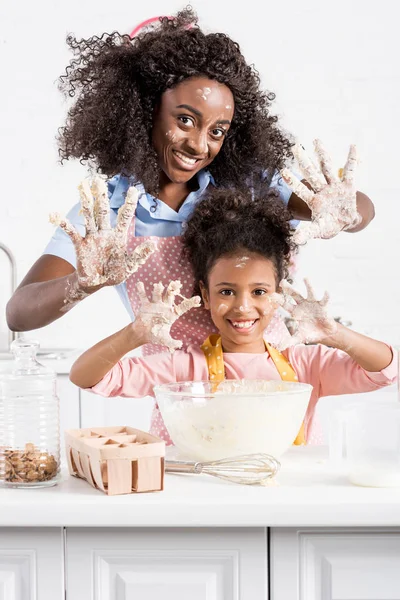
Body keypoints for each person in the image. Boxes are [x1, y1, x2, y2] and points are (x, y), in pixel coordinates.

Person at [6, 9, 375, 347]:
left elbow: (359, 210)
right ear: (146, 110)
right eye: (185, 120)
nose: (199, 144)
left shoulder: (255, 186)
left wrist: (345, 211)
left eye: (217, 131)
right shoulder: (106, 214)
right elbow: (18, 313)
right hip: (178, 399)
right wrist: (83, 283)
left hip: (271, 388)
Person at [69, 188, 395, 444]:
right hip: (213, 501)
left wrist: (335, 334)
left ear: (278, 292)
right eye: (226, 291)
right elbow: (85, 377)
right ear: (205, 295)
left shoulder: (304, 366)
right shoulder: (185, 369)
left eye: (259, 292)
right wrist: (134, 334)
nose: (242, 307)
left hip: (291, 501)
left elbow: (386, 370)